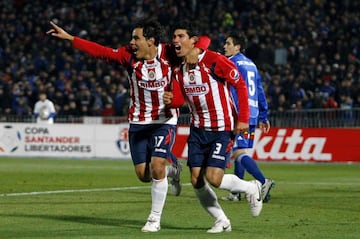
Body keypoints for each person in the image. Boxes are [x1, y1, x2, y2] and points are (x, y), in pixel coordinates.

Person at [47, 18, 209, 232]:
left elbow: (203, 41)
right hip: (138, 122)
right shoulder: (128, 57)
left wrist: (199, 49)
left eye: (136, 38)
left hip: (164, 120)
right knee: (143, 175)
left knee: (157, 165)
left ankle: (154, 219)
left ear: (151, 41)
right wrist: (71, 39)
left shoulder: (170, 53)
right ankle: (173, 171)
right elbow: (101, 52)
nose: (131, 42)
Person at [164, 20, 263, 234]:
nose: (175, 40)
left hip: (222, 129)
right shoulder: (179, 70)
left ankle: (251, 187)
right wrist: (171, 100)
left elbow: (240, 85)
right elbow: (181, 99)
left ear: (193, 41)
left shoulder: (214, 60)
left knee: (214, 178)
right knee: (196, 179)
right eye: (174, 37)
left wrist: (243, 119)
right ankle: (222, 220)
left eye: (180, 36)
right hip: (198, 130)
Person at [222, 32, 275, 202]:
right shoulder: (252, 64)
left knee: (239, 152)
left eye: (228, 43)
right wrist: (264, 115)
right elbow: (259, 91)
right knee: (241, 150)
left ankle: (263, 181)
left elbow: (232, 90)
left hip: (240, 113)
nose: (225, 46)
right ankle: (236, 193)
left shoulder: (231, 63)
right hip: (252, 113)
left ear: (237, 47)